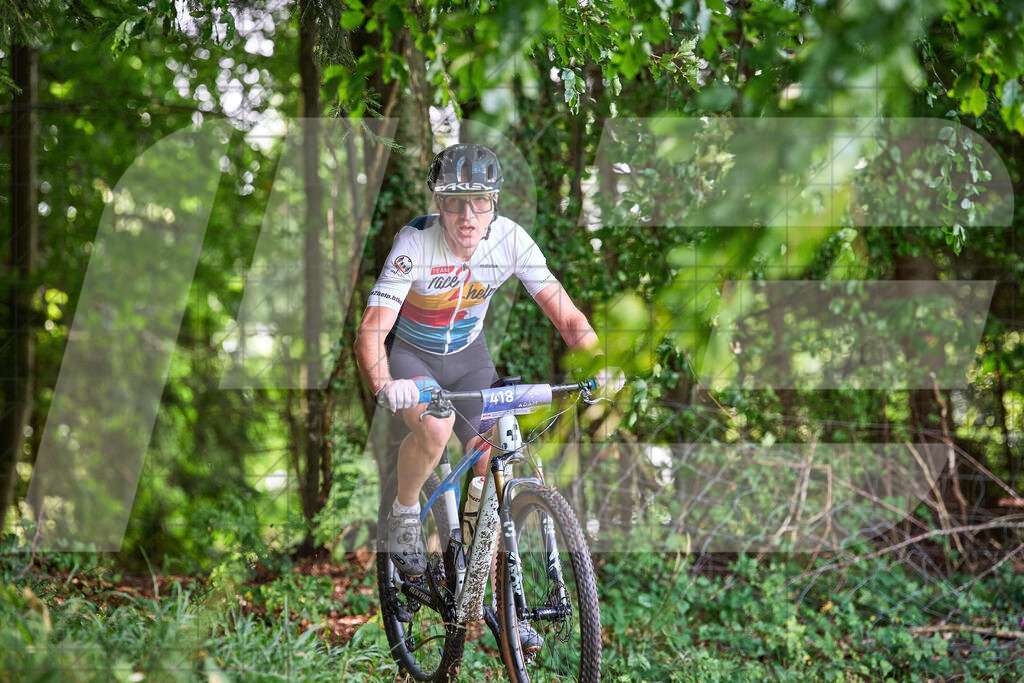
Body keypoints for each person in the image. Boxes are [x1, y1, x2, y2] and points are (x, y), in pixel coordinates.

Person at [354, 144, 623, 648]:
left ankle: (497, 592)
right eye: (454, 202)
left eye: (478, 201)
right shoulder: (414, 244)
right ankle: (406, 513)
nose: (466, 215)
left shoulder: (511, 241)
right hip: (412, 353)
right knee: (434, 429)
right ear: (438, 204)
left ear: (495, 201)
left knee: (494, 455)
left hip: (468, 357)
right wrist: (384, 384)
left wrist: (598, 365)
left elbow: (567, 318)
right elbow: (372, 330)